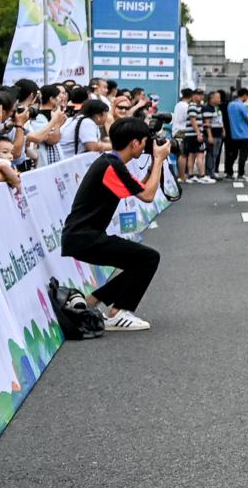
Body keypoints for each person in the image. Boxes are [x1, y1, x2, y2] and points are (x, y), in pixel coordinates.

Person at [60, 117, 169, 331]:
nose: (148, 146)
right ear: (135, 143)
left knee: (139, 262)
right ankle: (118, 312)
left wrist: (153, 168)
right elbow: (147, 196)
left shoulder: (110, 162)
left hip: (81, 236)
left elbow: (140, 189)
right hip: (84, 237)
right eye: (146, 141)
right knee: (148, 258)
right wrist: (157, 160)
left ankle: (91, 301)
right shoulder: (111, 166)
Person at [222, 85, 248, 181]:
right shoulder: (242, 106)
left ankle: (229, 173)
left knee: (232, 155)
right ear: (244, 95)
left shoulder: (230, 105)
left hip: (233, 134)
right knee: (243, 155)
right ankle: (241, 174)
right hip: (244, 134)